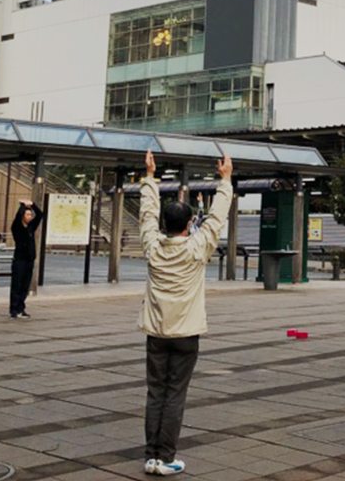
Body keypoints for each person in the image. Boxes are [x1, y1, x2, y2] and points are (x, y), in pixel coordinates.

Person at [138, 150, 234, 477]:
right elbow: (217, 217)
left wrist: (150, 177)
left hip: (156, 333)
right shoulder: (197, 248)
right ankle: (166, 458)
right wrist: (225, 180)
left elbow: (147, 215)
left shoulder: (152, 246)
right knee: (175, 395)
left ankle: (151, 456)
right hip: (186, 334)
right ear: (189, 224)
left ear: (166, 224)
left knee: (155, 393)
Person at [9, 198, 44, 319]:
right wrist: (23, 206)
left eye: (30, 215)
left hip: (29, 259)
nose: (29, 217)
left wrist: (32, 205)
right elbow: (18, 216)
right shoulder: (17, 227)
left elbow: (40, 215)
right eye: (27, 214)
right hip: (19, 260)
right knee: (16, 285)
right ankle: (13, 309)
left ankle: (21, 308)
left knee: (25, 285)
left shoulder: (31, 227)